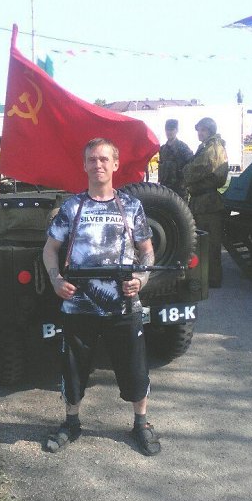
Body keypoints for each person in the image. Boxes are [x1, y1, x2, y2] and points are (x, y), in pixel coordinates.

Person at [42, 137, 161, 456]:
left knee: (135, 370)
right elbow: (50, 249)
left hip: (124, 305)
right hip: (78, 305)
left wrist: (141, 278)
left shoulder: (131, 206)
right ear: (84, 165)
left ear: (115, 164)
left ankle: (141, 424)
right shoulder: (72, 207)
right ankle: (71, 423)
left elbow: (147, 251)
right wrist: (55, 280)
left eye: (104, 159)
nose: (98, 164)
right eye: (92, 159)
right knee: (73, 369)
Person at [183, 117, 228, 288]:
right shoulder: (206, 147)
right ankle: (204, 276)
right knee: (201, 242)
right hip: (200, 200)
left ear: (210, 131)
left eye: (203, 130)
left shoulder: (213, 147)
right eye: (199, 130)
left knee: (210, 243)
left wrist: (187, 172)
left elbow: (197, 170)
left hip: (208, 201)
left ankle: (212, 278)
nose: (199, 133)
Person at [157, 119, 194, 200]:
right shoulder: (162, 149)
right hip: (165, 189)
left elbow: (192, 166)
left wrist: (185, 184)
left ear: (177, 130)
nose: (169, 132)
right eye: (167, 130)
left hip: (179, 191)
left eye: (172, 130)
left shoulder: (183, 148)